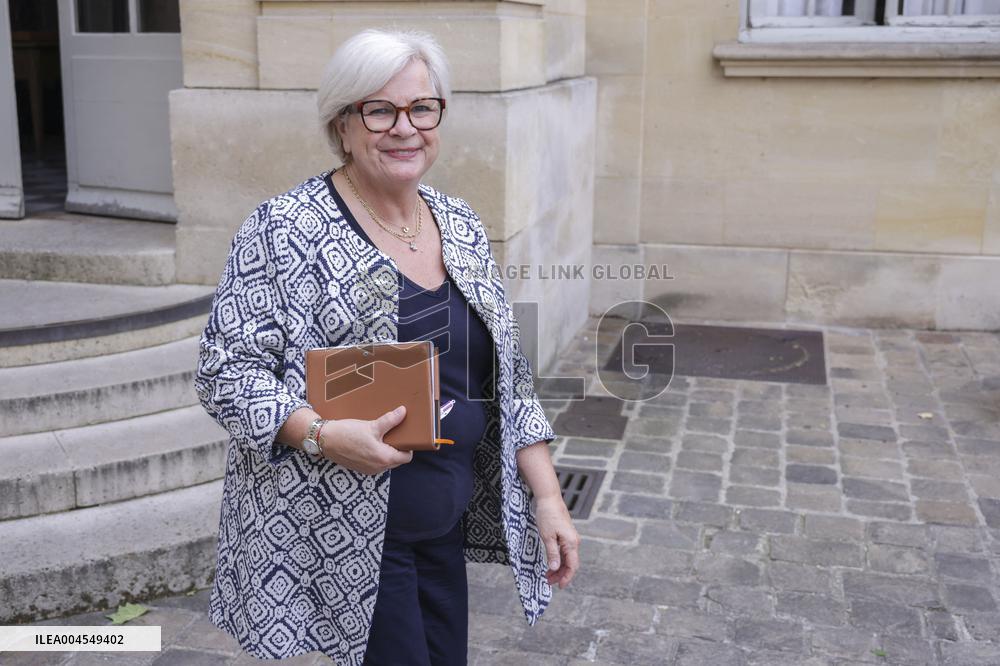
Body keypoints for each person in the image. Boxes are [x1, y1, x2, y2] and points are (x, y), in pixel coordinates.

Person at [194, 28, 580, 666]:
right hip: (347, 532)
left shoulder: (458, 221)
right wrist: (321, 434)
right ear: (342, 124)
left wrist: (548, 496)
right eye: (379, 110)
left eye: (422, 108)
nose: (405, 128)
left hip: (444, 521)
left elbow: (508, 377)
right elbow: (226, 373)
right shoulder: (284, 228)